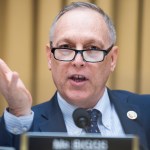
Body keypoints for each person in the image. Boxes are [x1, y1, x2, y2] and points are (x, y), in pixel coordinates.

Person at [0, 2, 150, 150]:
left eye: (92, 48)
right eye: (65, 47)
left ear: (112, 59)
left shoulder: (146, 110)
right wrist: (18, 112)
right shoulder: (26, 123)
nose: (78, 61)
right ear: (49, 57)